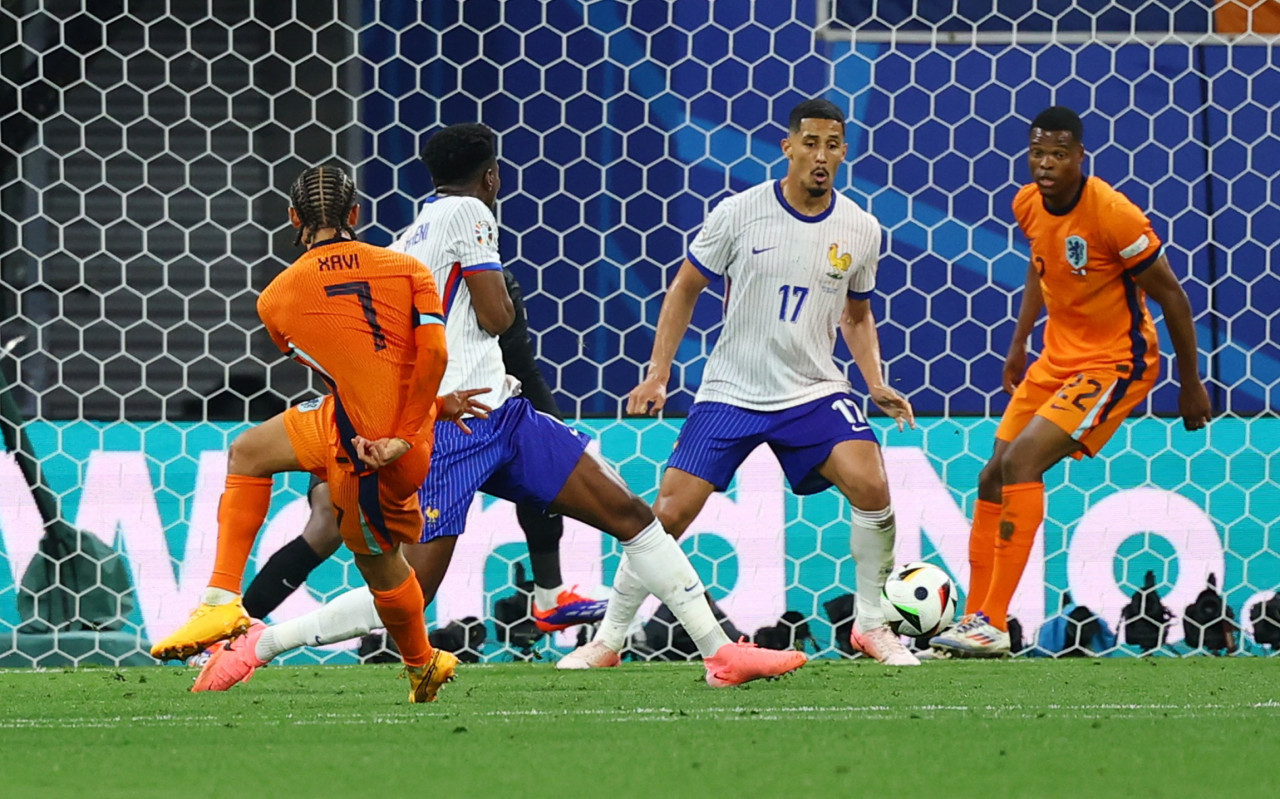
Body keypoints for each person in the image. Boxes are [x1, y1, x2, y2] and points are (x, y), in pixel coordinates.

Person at [192, 123, 805, 692]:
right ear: (491, 177)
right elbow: (495, 314)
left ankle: (720, 651)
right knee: (412, 589)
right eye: (498, 174)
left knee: (630, 514)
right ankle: (259, 645)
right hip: (458, 424)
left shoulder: (410, 235)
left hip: (500, 413)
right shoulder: (469, 214)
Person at [559, 98, 921, 670]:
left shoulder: (862, 227)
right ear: (788, 147)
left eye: (832, 144)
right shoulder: (739, 213)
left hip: (812, 390)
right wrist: (658, 372)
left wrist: (873, 380)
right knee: (668, 517)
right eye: (810, 143)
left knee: (871, 483)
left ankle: (872, 625)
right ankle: (609, 639)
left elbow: (856, 314)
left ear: (844, 151)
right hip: (732, 389)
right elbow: (684, 288)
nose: (820, 155)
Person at [150, 164, 486, 703]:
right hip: (382, 429)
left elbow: (337, 359)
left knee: (380, 565)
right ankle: (219, 602)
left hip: (372, 450)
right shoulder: (407, 270)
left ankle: (422, 663)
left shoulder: (277, 297)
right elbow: (429, 356)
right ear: (356, 215)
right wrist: (428, 415)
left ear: (292, 219)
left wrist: (397, 437)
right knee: (250, 451)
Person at [929, 106, 1213, 658]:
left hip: (1114, 362)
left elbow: (1172, 295)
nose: (1046, 164)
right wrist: (1019, 342)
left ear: (1080, 157)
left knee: (1021, 464)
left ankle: (991, 619)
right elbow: (1042, 268)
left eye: (1059, 154)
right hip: (1056, 360)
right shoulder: (1026, 204)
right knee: (991, 478)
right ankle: (975, 621)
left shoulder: (1113, 215)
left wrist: (1191, 382)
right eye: (1038, 153)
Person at [237, 268, 607, 634]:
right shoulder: (408, 285)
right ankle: (238, 631)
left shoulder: (468, 293)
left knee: (361, 550)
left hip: (424, 425)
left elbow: (521, 368)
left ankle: (548, 590)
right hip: (388, 421)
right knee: (332, 530)